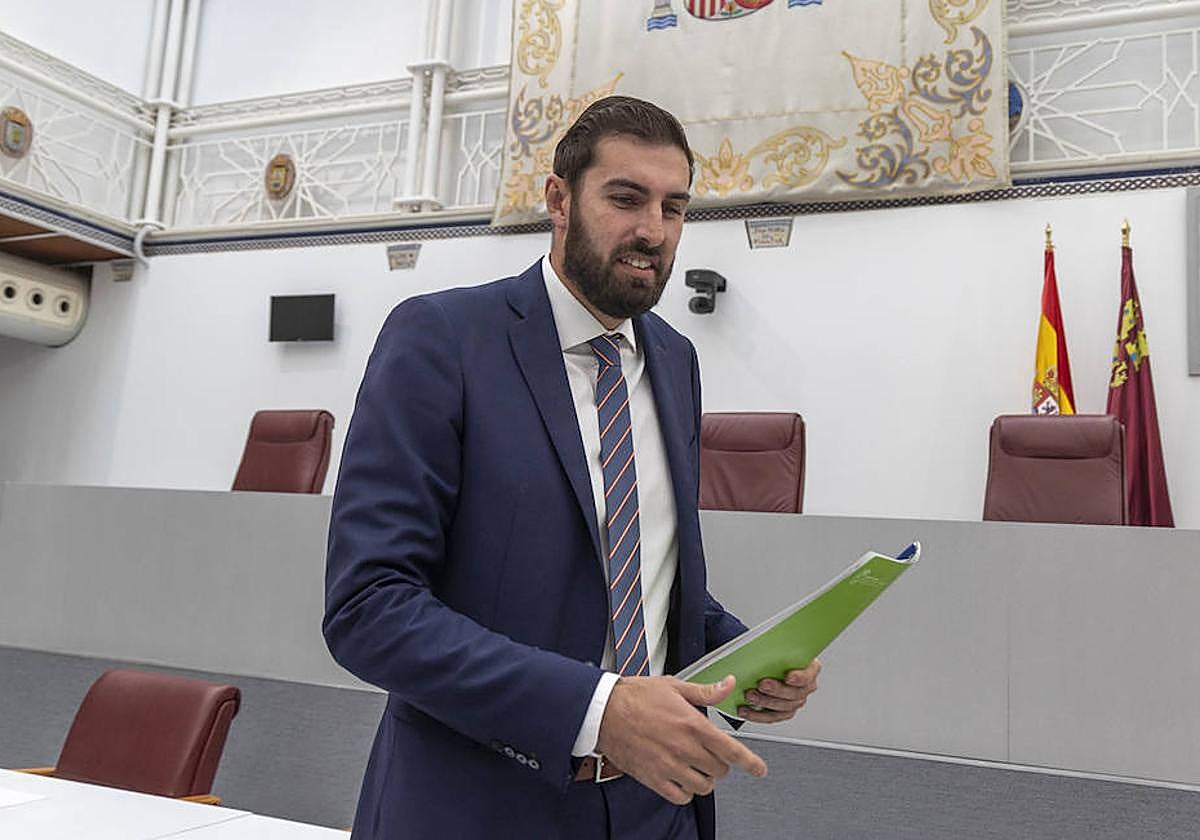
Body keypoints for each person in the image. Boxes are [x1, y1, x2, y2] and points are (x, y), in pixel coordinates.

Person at [323, 95, 821, 840]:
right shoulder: (442, 339)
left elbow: (641, 577)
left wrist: (743, 658)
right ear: (558, 198)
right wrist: (596, 707)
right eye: (626, 198)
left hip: (660, 806)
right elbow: (369, 608)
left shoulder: (675, 362)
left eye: (674, 207)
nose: (653, 230)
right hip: (485, 804)